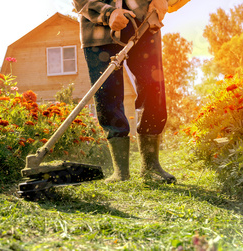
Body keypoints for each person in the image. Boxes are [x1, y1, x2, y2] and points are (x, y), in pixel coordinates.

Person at [72, 0, 176, 183]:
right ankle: (120, 171)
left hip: (144, 22)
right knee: (107, 96)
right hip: (98, 31)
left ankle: (151, 166)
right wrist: (107, 13)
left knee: (153, 89)